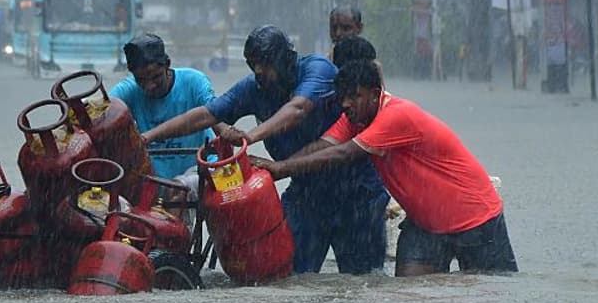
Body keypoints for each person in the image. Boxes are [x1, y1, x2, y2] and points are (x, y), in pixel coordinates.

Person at [139, 26, 387, 275]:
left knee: (362, 280)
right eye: (252, 64)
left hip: (355, 192)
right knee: (288, 277)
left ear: (286, 58)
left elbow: (298, 109)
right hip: (306, 193)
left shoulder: (316, 70)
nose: (258, 71)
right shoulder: (254, 88)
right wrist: (148, 136)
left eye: (265, 63)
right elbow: (206, 114)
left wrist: (251, 136)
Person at [259, 59, 517, 276]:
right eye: (343, 98)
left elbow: (343, 153)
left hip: (474, 218)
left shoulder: (395, 115)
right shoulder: (356, 119)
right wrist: (274, 167)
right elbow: (324, 145)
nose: (346, 104)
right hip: (426, 224)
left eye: (355, 96)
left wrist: (280, 169)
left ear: (375, 93)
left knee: (492, 292)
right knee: (403, 301)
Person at [109, 33, 229, 180]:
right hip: (153, 180)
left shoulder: (194, 81)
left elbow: (214, 115)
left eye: (156, 77)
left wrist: (226, 134)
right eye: (141, 79)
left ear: (167, 64)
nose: (149, 86)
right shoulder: (128, 90)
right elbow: (104, 112)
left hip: (199, 174)